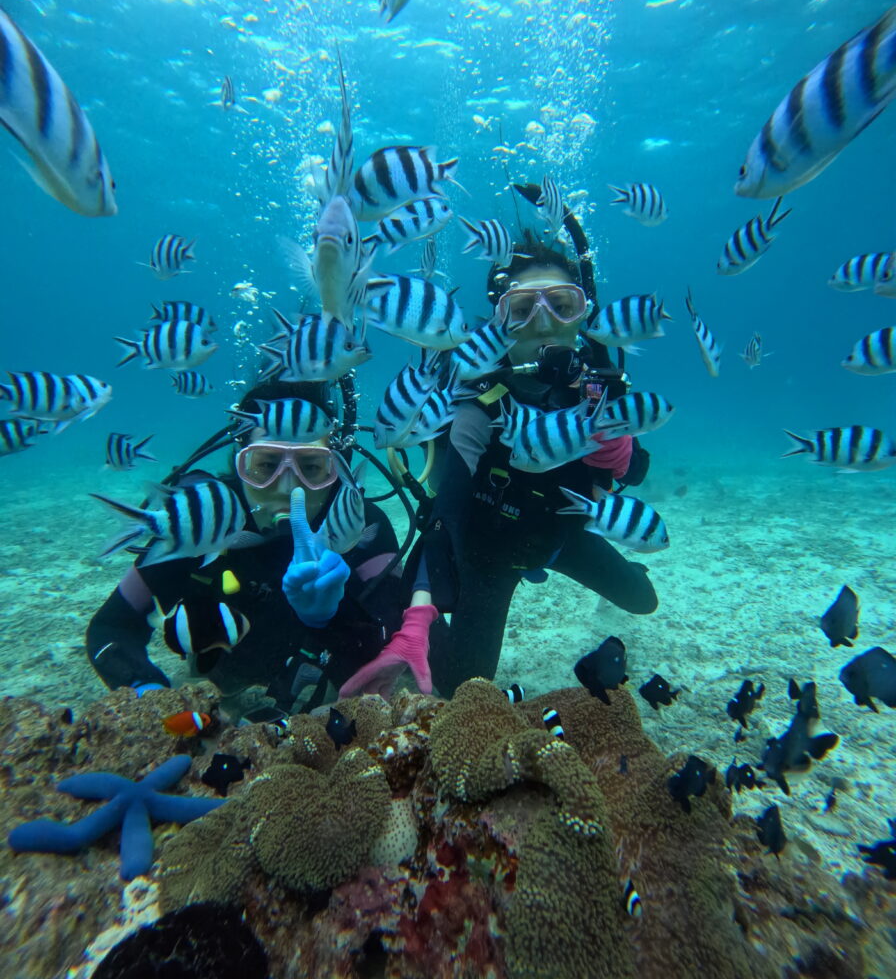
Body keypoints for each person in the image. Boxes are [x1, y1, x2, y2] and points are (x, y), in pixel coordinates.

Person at [393, 225, 660, 698]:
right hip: (489, 556)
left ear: (583, 315)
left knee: (643, 601)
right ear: (502, 319)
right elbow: (447, 508)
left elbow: (631, 473)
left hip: (564, 538)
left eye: (562, 305)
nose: (542, 321)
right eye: (521, 308)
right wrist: (420, 606)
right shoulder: (476, 398)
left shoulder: (600, 388)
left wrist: (615, 442)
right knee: (463, 686)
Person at [85, 378, 436, 716]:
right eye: (265, 465)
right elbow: (111, 628)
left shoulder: (358, 525)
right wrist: (147, 691)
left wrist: (332, 616)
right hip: (219, 685)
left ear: (336, 466)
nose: (286, 487)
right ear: (240, 462)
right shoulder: (200, 521)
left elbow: (396, 628)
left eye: (311, 467)